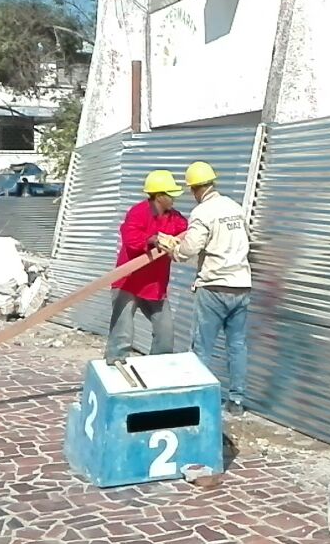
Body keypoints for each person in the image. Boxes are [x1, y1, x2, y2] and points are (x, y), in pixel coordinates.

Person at [158, 161, 251, 415]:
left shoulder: (202, 212)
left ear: (195, 189)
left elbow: (189, 249)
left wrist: (172, 249)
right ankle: (237, 401)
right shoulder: (235, 207)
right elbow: (246, 240)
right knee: (237, 345)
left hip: (214, 286)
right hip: (241, 285)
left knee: (202, 347)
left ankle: (197, 400)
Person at [106, 169, 188, 362]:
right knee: (122, 334)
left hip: (154, 285)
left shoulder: (175, 217)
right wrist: (153, 239)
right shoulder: (138, 212)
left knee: (165, 333)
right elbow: (130, 237)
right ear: (159, 196)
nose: (174, 199)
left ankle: (157, 368)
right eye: (170, 195)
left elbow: (188, 232)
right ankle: (114, 367)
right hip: (128, 282)